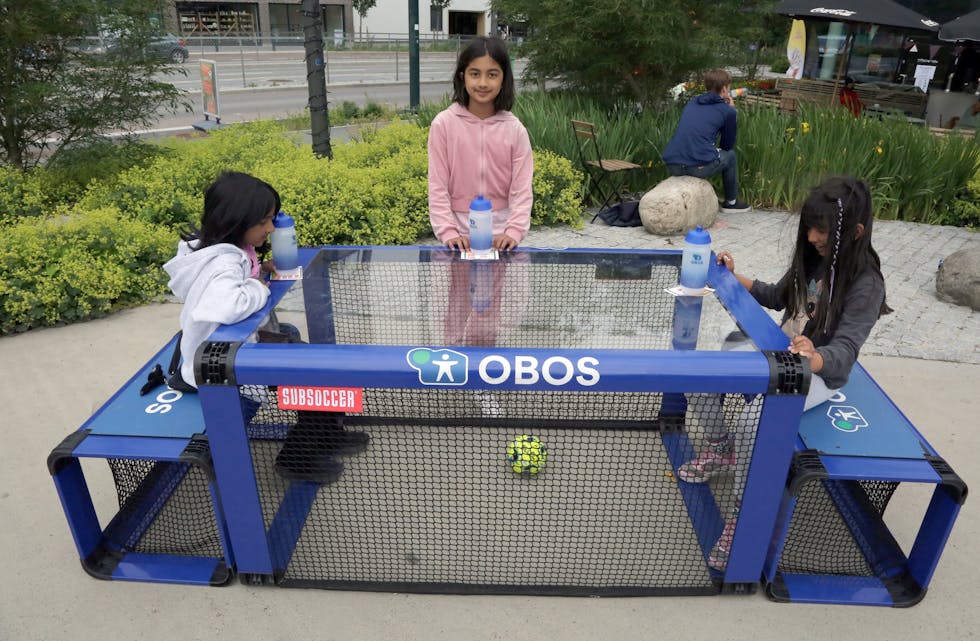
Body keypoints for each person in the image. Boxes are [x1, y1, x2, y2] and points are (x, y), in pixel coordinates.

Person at [679, 176, 892, 571]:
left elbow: (844, 353)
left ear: (856, 232)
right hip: (777, 351)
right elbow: (776, 296)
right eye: (809, 227)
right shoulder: (814, 257)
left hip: (817, 375)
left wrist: (813, 355)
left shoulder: (866, 284)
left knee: (752, 419)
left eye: (822, 231)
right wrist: (730, 275)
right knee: (700, 376)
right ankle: (724, 449)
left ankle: (743, 515)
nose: (812, 236)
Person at [164, 171, 366, 485]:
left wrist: (261, 270)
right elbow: (227, 305)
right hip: (221, 363)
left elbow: (237, 282)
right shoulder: (222, 262)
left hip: (241, 346)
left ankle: (327, 434)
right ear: (237, 220)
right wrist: (259, 286)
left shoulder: (229, 248)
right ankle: (297, 458)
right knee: (314, 375)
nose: (271, 228)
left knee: (322, 365)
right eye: (265, 221)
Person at [427, 36, 533, 252]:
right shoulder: (443, 125)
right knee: (456, 287)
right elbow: (437, 186)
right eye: (475, 74)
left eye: (492, 74)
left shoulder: (515, 129)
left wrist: (513, 231)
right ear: (462, 76)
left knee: (506, 287)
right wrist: (448, 231)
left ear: (504, 79)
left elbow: (522, 189)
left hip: (501, 234)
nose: (483, 83)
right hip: (458, 233)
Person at [662, 69, 751, 213]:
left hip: (673, 164)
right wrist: (732, 113)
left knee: (704, 151)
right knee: (730, 156)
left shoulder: (692, 103)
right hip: (695, 168)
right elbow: (726, 146)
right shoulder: (727, 111)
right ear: (724, 89)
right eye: (728, 87)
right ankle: (731, 202)